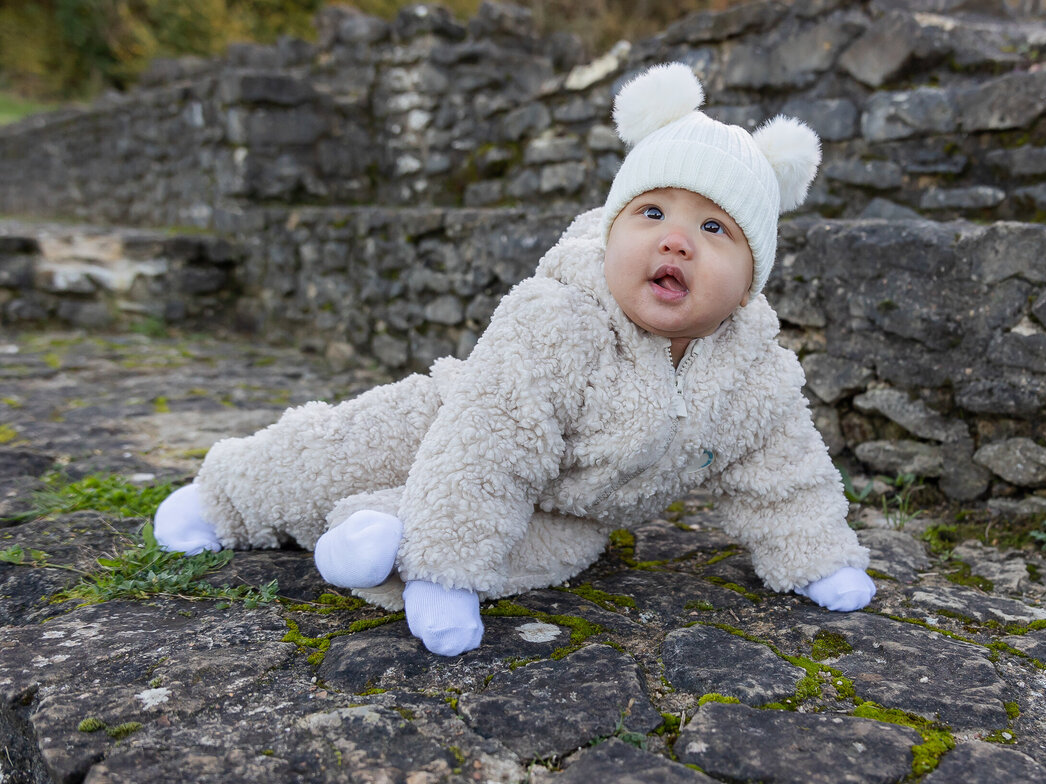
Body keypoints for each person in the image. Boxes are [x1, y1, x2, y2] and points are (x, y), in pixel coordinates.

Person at [152, 63, 875, 657]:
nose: (676, 240)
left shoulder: (754, 377)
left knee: (542, 558)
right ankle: (223, 497)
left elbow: (786, 478)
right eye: (652, 213)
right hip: (465, 418)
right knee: (335, 448)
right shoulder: (557, 318)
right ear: (612, 229)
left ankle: (381, 534)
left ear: (749, 283)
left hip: (570, 510)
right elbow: (487, 451)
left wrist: (819, 558)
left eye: (713, 227)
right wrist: (449, 570)